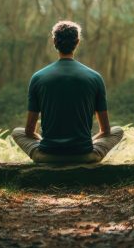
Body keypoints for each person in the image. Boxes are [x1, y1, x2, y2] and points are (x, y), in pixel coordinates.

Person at [11, 20, 123, 163]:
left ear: (54, 42)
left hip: (47, 156)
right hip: (84, 156)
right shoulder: (95, 77)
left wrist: (45, 142)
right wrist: (88, 142)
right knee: (117, 131)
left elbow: (28, 132)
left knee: (17, 132)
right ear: (77, 42)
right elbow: (106, 131)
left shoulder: (38, 77)